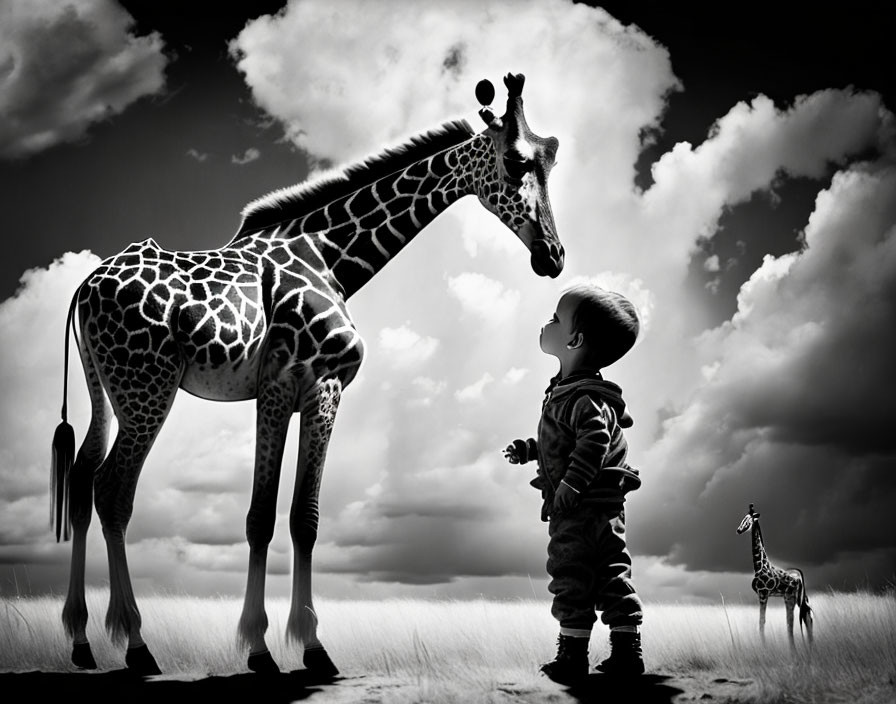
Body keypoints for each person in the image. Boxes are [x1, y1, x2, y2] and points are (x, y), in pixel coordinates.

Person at [504, 283, 645, 683]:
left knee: (575, 572)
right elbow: (562, 443)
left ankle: (588, 656)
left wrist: (570, 487)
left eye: (555, 319)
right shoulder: (567, 394)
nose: (546, 324)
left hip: (583, 506)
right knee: (598, 574)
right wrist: (530, 449)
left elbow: (595, 441)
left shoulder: (584, 399)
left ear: (574, 340)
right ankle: (610, 653)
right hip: (594, 505)